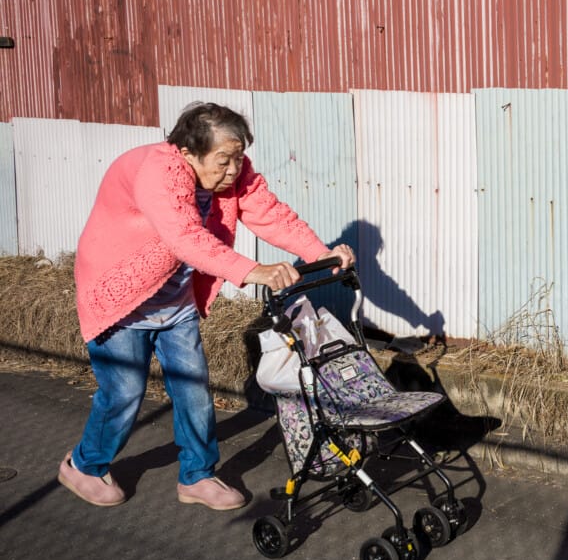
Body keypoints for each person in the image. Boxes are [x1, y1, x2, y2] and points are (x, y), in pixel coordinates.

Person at [57, 102, 354, 511]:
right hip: (121, 298)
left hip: (174, 300)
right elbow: (186, 239)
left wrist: (321, 253)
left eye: (238, 158)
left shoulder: (232, 173)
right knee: (124, 391)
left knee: (194, 390)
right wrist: (255, 271)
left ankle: (196, 476)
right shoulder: (156, 172)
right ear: (187, 151)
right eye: (223, 160)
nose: (233, 170)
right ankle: (85, 465)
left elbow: (270, 215)